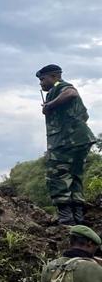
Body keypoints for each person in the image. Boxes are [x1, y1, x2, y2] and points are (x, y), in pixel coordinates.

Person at [38, 64, 96, 225]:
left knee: (56, 175)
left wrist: (50, 105)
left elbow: (71, 93)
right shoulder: (57, 91)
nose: (41, 83)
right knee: (75, 176)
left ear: (54, 76)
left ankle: (66, 218)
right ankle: (78, 216)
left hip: (65, 142)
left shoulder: (59, 86)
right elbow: (85, 115)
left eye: (43, 79)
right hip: (81, 140)